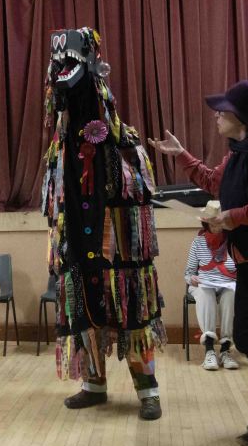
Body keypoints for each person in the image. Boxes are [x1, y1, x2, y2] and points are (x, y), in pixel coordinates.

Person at [148, 80, 248, 446]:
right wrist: (181, 155)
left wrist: (236, 217)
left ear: (243, 116)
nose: (217, 115)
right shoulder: (238, 153)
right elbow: (213, 182)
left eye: (224, 110)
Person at [42, 28, 166, 420]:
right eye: (57, 64)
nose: (61, 71)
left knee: (129, 304)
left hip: (117, 243)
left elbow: (138, 201)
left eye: (70, 61)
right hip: (79, 235)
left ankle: (148, 390)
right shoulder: (62, 148)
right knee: (82, 302)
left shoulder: (121, 144)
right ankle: (93, 385)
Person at [184, 222, 238, 370]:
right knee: (205, 294)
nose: (216, 226)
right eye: (213, 223)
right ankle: (209, 350)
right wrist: (192, 278)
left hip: (228, 283)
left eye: (219, 222)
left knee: (231, 295)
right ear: (207, 224)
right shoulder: (198, 242)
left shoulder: (233, 240)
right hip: (203, 284)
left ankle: (225, 350)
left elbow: (242, 268)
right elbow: (188, 273)